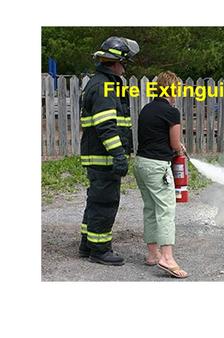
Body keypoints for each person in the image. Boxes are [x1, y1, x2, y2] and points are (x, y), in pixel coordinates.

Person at [78, 36, 140, 265]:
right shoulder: (104, 86)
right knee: (105, 202)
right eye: (124, 63)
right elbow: (106, 125)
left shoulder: (99, 83)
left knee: (96, 201)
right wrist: (118, 155)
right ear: (116, 62)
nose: (125, 69)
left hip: (99, 157)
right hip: (104, 158)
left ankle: (88, 244)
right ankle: (100, 250)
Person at [134, 71, 188, 278]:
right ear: (172, 89)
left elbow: (154, 136)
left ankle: (152, 254)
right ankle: (166, 257)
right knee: (166, 210)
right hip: (158, 167)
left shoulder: (146, 109)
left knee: (150, 208)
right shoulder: (171, 112)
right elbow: (174, 144)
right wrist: (179, 150)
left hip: (141, 164)